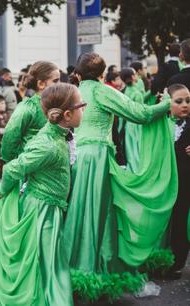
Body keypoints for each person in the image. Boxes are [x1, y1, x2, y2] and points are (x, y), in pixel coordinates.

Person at [63, 53, 176, 301]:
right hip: (98, 159)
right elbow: (140, 114)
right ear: (102, 74)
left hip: (76, 158)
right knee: (102, 215)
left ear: (79, 74)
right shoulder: (104, 91)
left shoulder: (73, 90)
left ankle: (74, 271)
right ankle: (97, 269)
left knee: (79, 214)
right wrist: (167, 104)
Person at [0, 83, 83, 306]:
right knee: (42, 260)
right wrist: (1, 190)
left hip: (51, 206)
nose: (84, 111)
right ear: (68, 114)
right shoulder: (47, 144)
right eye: (82, 106)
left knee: (49, 259)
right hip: (41, 210)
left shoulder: (58, 136)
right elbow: (13, 167)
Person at [1, 61, 60, 163]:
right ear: (41, 84)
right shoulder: (27, 107)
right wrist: (14, 166)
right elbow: (10, 138)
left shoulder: (57, 105)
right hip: (31, 168)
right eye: (55, 81)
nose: (60, 84)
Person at [166, 84, 190, 279]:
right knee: (168, 220)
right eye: (179, 101)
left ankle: (178, 261)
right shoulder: (162, 124)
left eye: (188, 101)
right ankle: (165, 259)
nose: (185, 105)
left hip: (185, 181)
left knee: (181, 220)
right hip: (166, 181)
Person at [120, 67, 145, 172]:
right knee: (137, 149)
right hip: (136, 124)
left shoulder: (123, 92)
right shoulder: (137, 93)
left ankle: (131, 171)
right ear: (132, 77)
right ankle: (138, 171)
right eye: (135, 74)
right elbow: (141, 112)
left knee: (130, 150)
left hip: (127, 124)